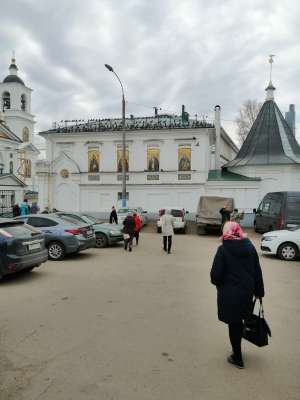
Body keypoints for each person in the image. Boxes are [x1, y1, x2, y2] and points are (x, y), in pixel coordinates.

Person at [210, 222, 265, 369]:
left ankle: (237, 357)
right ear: (239, 231)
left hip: (229, 294)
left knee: (233, 323)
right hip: (246, 292)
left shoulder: (223, 249)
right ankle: (237, 349)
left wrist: (220, 284)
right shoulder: (249, 246)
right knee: (240, 319)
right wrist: (259, 292)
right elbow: (257, 271)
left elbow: (215, 276)